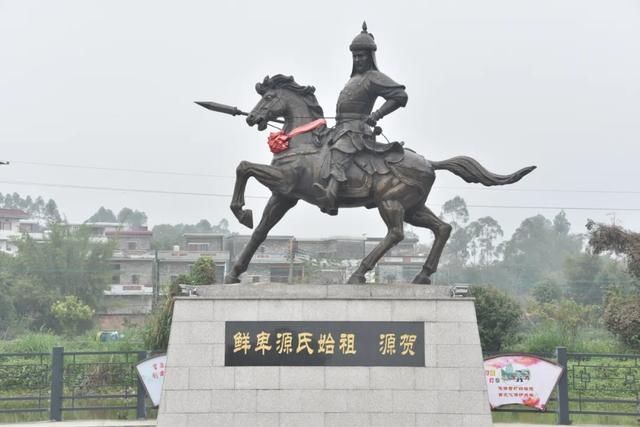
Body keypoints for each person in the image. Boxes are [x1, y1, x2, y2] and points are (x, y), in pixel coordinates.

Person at [313, 22, 408, 215]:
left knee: (340, 151)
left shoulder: (374, 77)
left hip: (356, 131)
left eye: (361, 56)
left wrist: (376, 115)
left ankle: (330, 195)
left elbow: (400, 96)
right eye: (355, 56)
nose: (357, 60)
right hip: (340, 128)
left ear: (370, 57)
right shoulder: (353, 79)